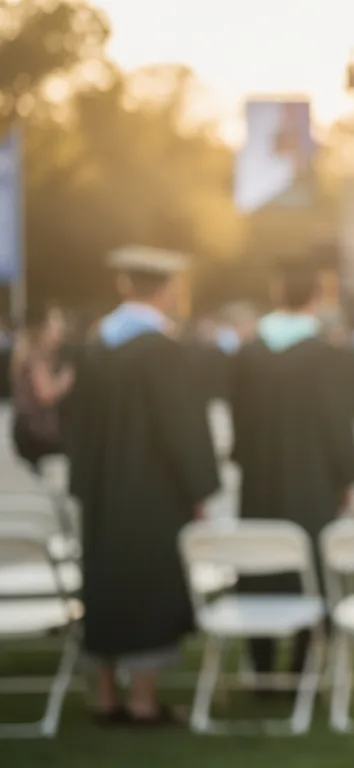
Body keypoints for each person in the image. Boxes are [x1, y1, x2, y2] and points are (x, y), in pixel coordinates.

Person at [64, 247, 220, 725]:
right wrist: (199, 488)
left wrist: (86, 482)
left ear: (125, 287)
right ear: (168, 290)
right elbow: (182, 428)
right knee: (148, 587)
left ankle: (105, 696)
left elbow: (73, 422)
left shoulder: (95, 345)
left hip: (101, 491)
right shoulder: (162, 351)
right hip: (153, 493)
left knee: (105, 583)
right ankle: (143, 702)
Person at [230, 258, 354, 692]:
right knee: (308, 567)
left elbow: (238, 420)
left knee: (260, 563)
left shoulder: (249, 351)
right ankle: (302, 671)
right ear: (317, 297)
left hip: (259, 480)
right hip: (312, 482)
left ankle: (262, 670)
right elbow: (336, 422)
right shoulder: (324, 354)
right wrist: (346, 476)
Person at [9, 305, 74, 470]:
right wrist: (67, 377)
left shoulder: (24, 350)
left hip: (28, 431)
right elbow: (46, 394)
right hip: (39, 434)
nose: (61, 328)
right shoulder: (36, 356)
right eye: (56, 323)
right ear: (42, 328)